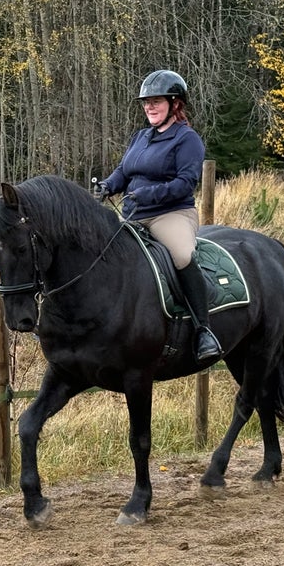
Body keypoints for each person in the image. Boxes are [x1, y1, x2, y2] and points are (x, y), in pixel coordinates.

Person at [97, 69, 221, 365]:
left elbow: (185, 183)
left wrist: (148, 195)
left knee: (181, 255)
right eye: (146, 102)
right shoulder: (141, 137)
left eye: (156, 101)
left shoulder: (187, 139)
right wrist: (107, 186)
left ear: (174, 103)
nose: (149, 107)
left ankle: (204, 330)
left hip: (172, 214)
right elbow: (124, 171)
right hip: (134, 215)